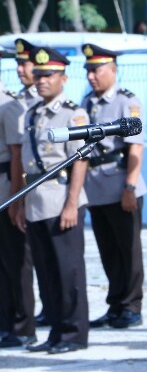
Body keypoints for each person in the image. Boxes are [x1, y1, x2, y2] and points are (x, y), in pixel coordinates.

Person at [16, 47, 90, 354]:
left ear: (63, 78)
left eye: (48, 75)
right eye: (38, 75)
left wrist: (72, 203)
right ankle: (56, 331)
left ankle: (73, 334)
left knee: (67, 270)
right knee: (46, 271)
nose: (42, 80)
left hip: (61, 198)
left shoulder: (72, 114)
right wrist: (20, 203)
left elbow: (80, 160)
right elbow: (26, 161)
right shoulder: (31, 113)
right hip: (35, 200)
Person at [80, 43, 146, 330]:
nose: (92, 76)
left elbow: (135, 148)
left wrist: (130, 187)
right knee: (108, 250)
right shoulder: (86, 103)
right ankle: (116, 304)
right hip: (96, 188)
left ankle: (132, 306)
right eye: (89, 71)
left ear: (113, 69)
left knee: (128, 249)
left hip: (121, 185)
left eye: (97, 70)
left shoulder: (126, 102)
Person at [0, 42, 37, 348]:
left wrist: (16, 199)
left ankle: (23, 324)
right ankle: (5, 320)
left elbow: (15, 157)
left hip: (5, 186)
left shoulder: (8, 105)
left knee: (16, 260)